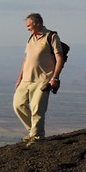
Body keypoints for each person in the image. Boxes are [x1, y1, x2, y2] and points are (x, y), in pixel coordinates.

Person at [13, 12, 64, 144]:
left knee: (37, 109)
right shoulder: (31, 38)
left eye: (29, 25)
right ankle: (32, 131)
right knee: (18, 105)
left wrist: (55, 78)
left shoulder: (51, 36)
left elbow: (60, 58)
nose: (27, 28)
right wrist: (19, 78)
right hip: (26, 79)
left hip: (42, 79)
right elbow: (26, 59)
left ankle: (37, 137)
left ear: (38, 23)